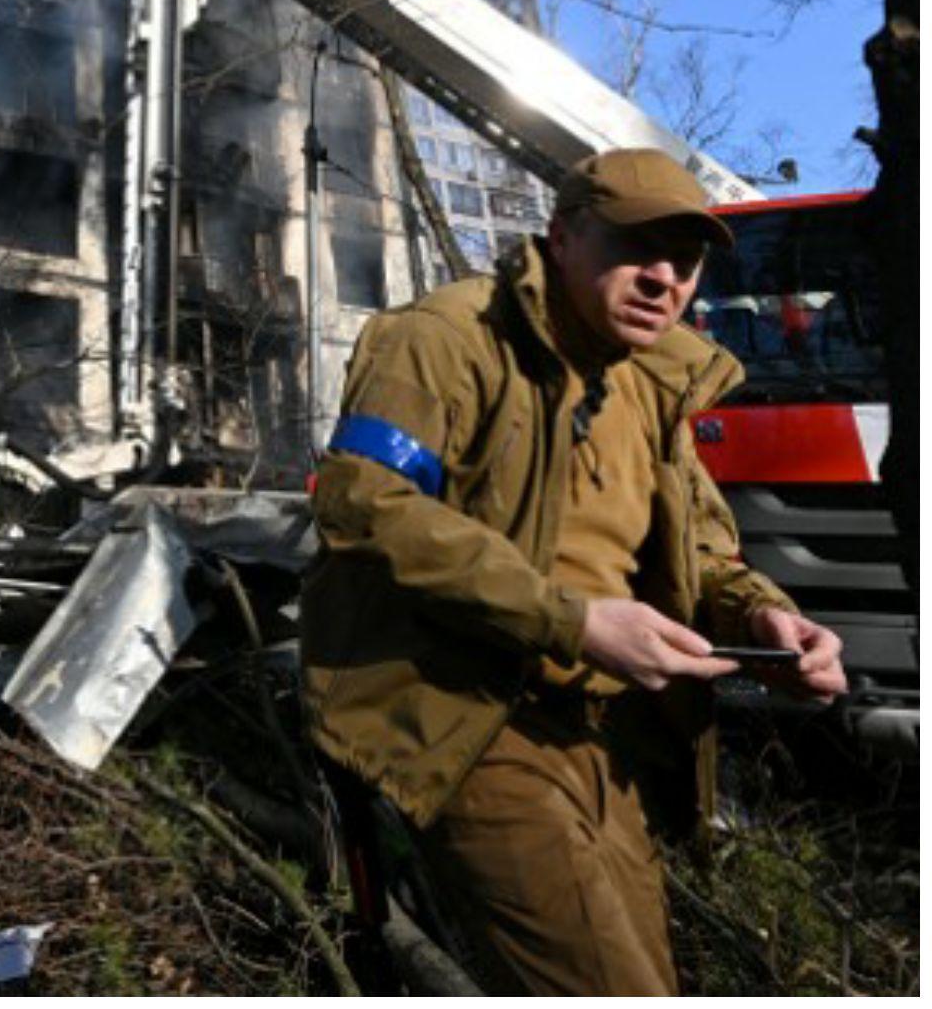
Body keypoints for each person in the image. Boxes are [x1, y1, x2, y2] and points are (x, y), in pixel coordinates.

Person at [303, 147, 849, 996]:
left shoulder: (654, 382)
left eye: (686, 260)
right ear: (561, 237)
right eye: (637, 248)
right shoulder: (444, 341)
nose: (664, 279)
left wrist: (763, 618)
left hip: (608, 736)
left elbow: (699, 552)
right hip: (475, 720)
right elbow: (366, 504)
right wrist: (574, 621)